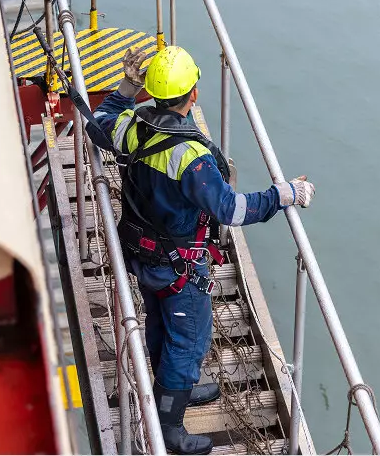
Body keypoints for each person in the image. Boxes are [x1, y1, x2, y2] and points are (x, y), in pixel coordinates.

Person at [86, 46, 315, 455]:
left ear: (151, 92)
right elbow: (232, 210)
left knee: (160, 323)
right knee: (189, 342)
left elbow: (98, 122)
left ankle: (174, 388)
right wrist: (284, 194)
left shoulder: (131, 127)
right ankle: (169, 427)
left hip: (142, 255)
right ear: (193, 93)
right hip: (178, 269)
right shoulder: (191, 158)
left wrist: (126, 88)